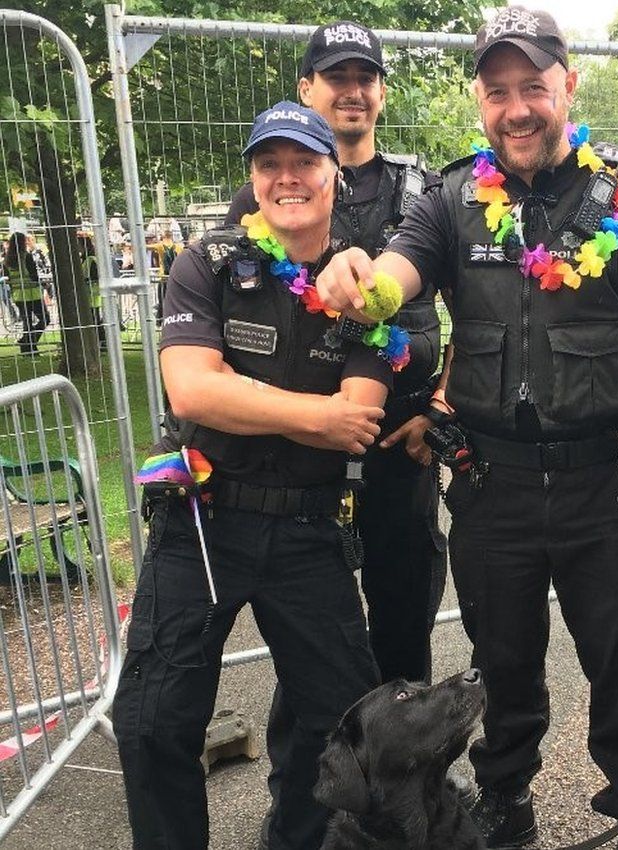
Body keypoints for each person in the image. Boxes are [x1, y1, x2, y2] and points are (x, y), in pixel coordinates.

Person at [315, 8, 618, 849]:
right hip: (492, 488)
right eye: (498, 91)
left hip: (604, 485)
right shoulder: (450, 201)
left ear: (570, 83)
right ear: (479, 100)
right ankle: (505, 803)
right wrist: (360, 277)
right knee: (503, 669)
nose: (518, 107)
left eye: (534, 85)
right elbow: (395, 276)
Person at [113, 102, 394, 850]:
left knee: (341, 724)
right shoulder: (207, 260)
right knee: (153, 721)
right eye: (269, 164)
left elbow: (360, 416)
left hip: (310, 528)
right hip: (200, 525)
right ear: (253, 178)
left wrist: (259, 404)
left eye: (303, 162)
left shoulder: (369, 283)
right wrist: (312, 416)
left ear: (336, 173)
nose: (286, 178)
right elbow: (193, 392)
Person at [224, 20, 449, 844]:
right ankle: (304, 808)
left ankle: (413, 813)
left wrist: (432, 404)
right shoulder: (272, 182)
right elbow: (242, 314)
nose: (352, 89)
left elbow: (432, 327)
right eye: (334, 75)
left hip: (397, 452)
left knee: (400, 642)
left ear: (380, 92)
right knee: (308, 654)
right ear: (308, 87)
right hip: (302, 463)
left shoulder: (422, 190)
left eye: (366, 76)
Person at [2, 232, 48, 355]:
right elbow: (33, 275)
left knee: (27, 323)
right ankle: (29, 343)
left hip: (18, 295)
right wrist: (44, 284)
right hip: (32, 293)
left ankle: (27, 346)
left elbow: (7, 278)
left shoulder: (7, 260)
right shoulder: (26, 256)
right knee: (45, 319)